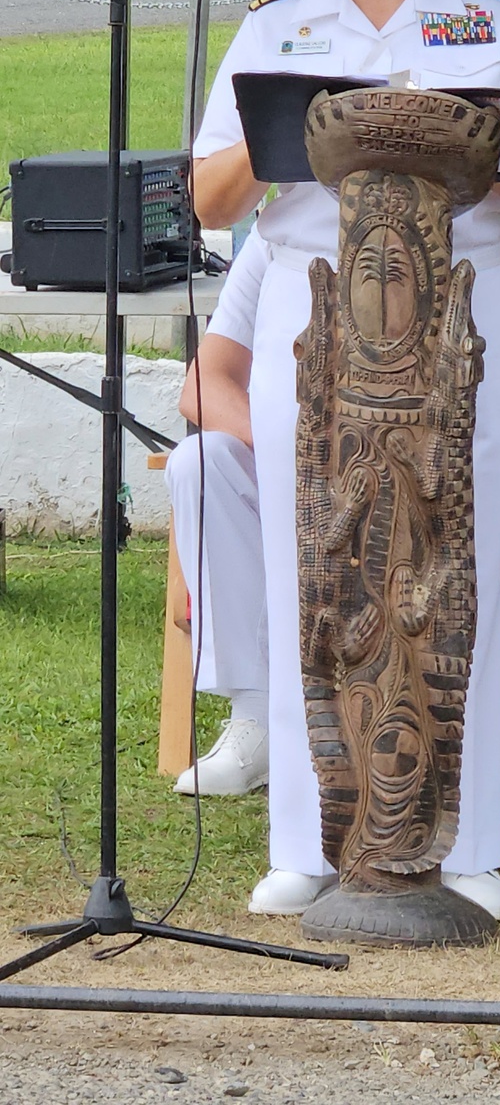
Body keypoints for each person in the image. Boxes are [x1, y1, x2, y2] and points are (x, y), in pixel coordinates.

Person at [191, 0, 500, 921]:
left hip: (464, 308)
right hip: (320, 306)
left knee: (460, 566)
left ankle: (465, 849)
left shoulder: (493, 25)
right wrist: (295, 125)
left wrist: (440, 135)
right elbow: (209, 199)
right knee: (318, 571)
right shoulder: (276, 24)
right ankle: (306, 837)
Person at [166, 229, 270, 798]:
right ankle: (256, 713)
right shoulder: (276, 237)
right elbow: (203, 385)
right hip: (298, 460)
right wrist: (290, 455)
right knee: (199, 461)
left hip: (397, 461)